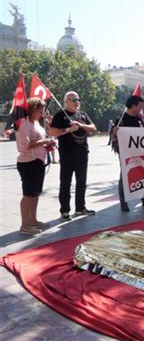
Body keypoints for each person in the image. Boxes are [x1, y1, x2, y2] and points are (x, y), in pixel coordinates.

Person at [49, 91, 97, 221]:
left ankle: (80, 208)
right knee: (66, 182)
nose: (77, 102)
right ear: (66, 101)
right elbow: (52, 131)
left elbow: (93, 128)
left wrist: (81, 125)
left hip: (82, 152)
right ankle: (65, 211)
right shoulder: (60, 115)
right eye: (74, 100)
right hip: (67, 154)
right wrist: (68, 130)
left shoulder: (82, 114)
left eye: (78, 99)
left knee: (82, 182)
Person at [112, 95, 144, 212]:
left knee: (143, 174)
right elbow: (114, 136)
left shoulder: (139, 118)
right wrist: (114, 132)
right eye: (139, 106)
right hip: (126, 153)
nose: (141, 108)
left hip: (141, 152)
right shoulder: (121, 119)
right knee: (125, 176)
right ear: (133, 106)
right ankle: (124, 202)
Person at [16, 98, 56, 234]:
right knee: (28, 194)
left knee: (35, 193)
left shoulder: (36, 123)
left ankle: (33, 220)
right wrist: (45, 141)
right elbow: (25, 146)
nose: (42, 113)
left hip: (39, 161)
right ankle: (24, 225)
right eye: (40, 110)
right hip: (28, 163)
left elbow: (38, 142)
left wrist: (47, 144)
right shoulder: (23, 124)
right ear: (33, 110)